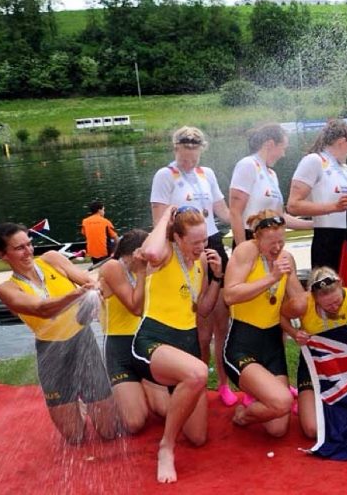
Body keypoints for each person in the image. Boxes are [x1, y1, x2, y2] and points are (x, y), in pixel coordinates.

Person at [0, 223, 118, 443]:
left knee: (108, 432)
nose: (29, 251)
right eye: (19, 248)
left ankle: (93, 397)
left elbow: (88, 280)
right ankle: (75, 401)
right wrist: (77, 294)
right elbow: (41, 309)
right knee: (76, 438)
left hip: (82, 342)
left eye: (29, 244)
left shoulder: (51, 258)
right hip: (51, 353)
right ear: (3, 255)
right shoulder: (8, 289)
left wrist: (93, 290)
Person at [132, 205, 223, 483]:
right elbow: (149, 252)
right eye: (195, 241)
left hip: (186, 344)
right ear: (178, 238)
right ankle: (166, 447)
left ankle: (166, 398)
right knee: (197, 373)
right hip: (154, 339)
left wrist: (217, 278)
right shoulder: (165, 254)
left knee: (197, 437)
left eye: (204, 239)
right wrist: (165, 216)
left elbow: (204, 308)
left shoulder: (202, 261)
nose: (201, 246)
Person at [150, 126, 235, 407]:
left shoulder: (206, 174)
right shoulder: (165, 175)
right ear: (175, 150)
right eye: (185, 159)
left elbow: (222, 209)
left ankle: (223, 384)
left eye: (194, 158)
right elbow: (160, 222)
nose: (189, 164)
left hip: (212, 243)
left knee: (222, 321)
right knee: (201, 328)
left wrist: (245, 223)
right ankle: (196, 380)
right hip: (183, 248)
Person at [222, 210, 306, 437]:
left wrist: (292, 278)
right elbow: (229, 295)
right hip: (242, 343)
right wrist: (272, 277)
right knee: (281, 402)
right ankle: (243, 414)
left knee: (278, 429)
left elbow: (299, 304)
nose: (277, 248)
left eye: (281, 241)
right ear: (257, 238)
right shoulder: (246, 251)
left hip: (272, 344)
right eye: (271, 243)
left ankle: (252, 403)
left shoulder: (285, 258)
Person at [99, 229, 168, 433]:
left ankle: (140, 389)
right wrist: (141, 272)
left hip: (143, 342)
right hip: (119, 346)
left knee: (165, 409)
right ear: (136, 253)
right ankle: (116, 395)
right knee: (135, 423)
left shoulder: (148, 269)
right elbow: (135, 307)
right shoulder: (113, 266)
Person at [284, 267, 347, 438]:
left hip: (345, 364)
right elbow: (280, 316)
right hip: (313, 365)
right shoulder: (302, 303)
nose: (335, 307)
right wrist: (294, 333)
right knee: (312, 430)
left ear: (341, 285)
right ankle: (312, 402)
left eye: (338, 301)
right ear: (315, 298)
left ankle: (325, 405)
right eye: (328, 305)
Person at [287, 119, 347, 271]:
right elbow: (293, 205)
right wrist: (334, 207)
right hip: (326, 239)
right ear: (342, 142)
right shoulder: (314, 160)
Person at [229, 123, 312, 247]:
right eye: (282, 148)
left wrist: (315, 225)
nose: (283, 154)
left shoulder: (272, 174)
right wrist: (242, 249)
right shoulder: (248, 164)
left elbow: (281, 216)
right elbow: (235, 212)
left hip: (271, 241)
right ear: (270, 144)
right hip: (250, 238)